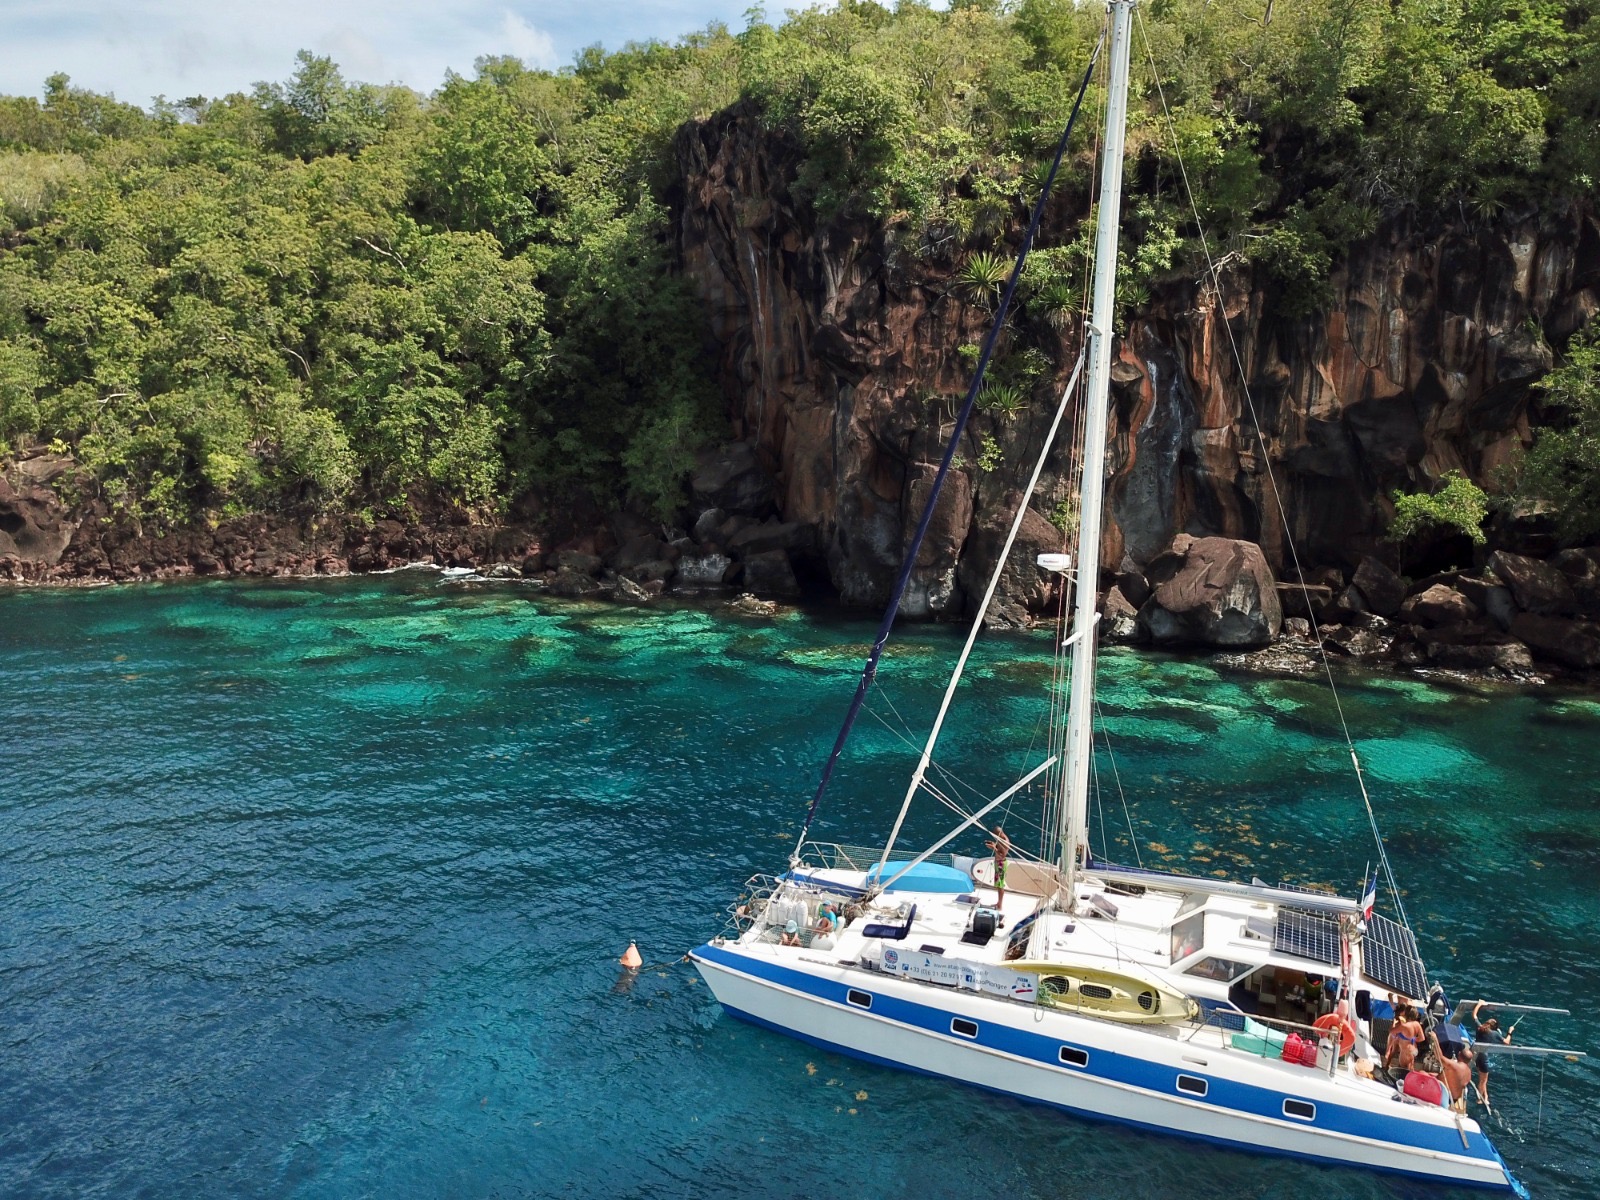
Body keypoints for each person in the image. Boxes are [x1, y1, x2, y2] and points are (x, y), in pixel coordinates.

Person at [1472, 1002, 1512, 1107]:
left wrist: (1479, 1004)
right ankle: (1479, 1099)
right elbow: (1507, 1042)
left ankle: (1485, 1097)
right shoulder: (1494, 1034)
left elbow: (1474, 1015)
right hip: (1483, 1057)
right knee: (1483, 1081)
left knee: (1482, 1078)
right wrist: (1510, 1032)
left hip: (1476, 1056)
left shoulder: (1480, 1028)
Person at [1430, 1031, 1473, 1113]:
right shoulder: (1468, 1072)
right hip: (1454, 1098)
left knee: (1422, 1072)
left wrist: (1435, 1039)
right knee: (1432, 1074)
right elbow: (1453, 1079)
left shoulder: (1454, 1066)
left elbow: (1440, 1057)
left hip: (1444, 1096)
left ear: (1459, 1054)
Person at [1385, 1004, 1424, 1075]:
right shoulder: (1417, 1024)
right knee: (1409, 1070)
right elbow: (1422, 1038)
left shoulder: (1404, 1026)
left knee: (1403, 1071)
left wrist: (1394, 1023)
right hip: (1413, 1049)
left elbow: (1391, 1031)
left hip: (1405, 1052)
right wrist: (1413, 1039)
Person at [985, 825, 1011, 925]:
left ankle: (1000, 904)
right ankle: (998, 903)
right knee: (998, 884)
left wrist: (993, 848)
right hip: (998, 863)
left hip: (1001, 863)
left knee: (1000, 885)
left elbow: (1002, 854)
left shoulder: (1004, 841)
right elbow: (999, 849)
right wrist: (994, 845)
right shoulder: (1001, 839)